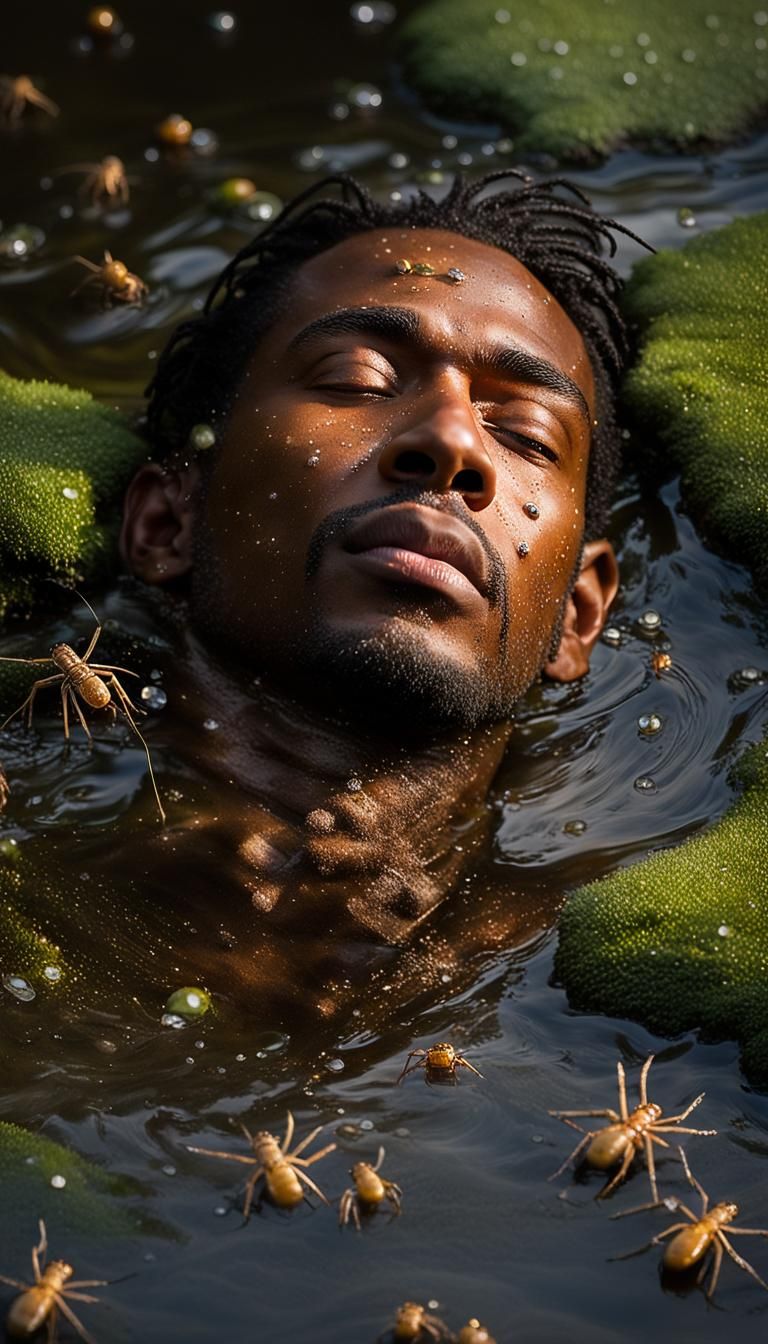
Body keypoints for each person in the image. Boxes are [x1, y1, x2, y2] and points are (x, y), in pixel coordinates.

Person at [116, 171, 641, 1014]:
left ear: (578, 614)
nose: (453, 440)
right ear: (165, 523)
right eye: (357, 377)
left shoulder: (583, 994)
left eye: (527, 433)